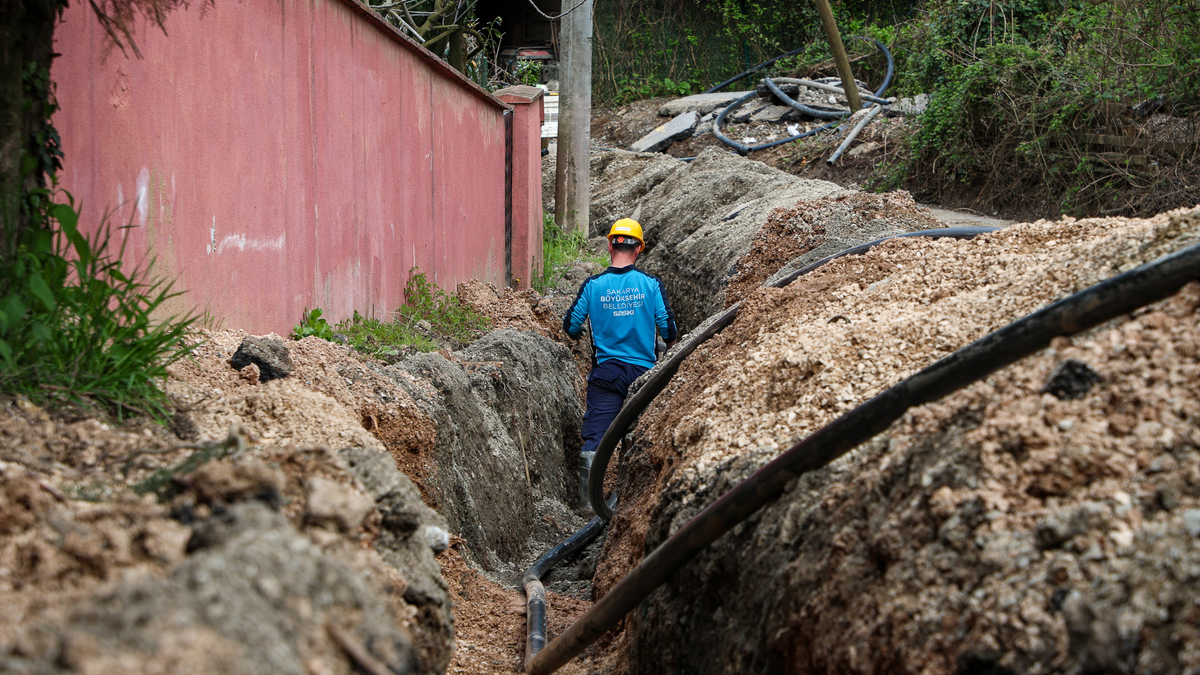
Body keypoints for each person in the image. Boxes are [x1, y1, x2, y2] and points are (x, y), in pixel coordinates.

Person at [563, 218, 677, 510]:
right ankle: (637, 502)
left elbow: (571, 324)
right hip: (643, 378)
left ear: (611, 245)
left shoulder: (593, 285)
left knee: (596, 436)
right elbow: (668, 329)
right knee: (643, 435)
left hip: (607, 374)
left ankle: (589, 503)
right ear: (638, 248)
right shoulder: (650, 285)